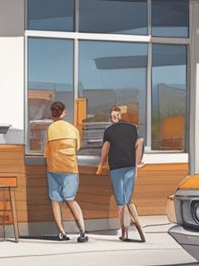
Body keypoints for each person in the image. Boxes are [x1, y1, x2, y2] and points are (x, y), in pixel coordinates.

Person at [96, 104, 146, 243]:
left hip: (116, 167)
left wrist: (101, 164)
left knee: (120, 202)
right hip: (130, 166)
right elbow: (139, 143)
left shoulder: (109, 130)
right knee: (128, 199)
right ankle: (140, 231)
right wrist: (137, 163)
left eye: (114, 116)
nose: (114, 118)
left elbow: (105, 149)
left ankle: (124, 233)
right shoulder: (132, 129)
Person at [43, 101, 87, 242]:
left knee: (55, 200)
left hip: (53, 168)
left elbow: (46, 152)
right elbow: (77, 148)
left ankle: (62, 233)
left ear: (52, 112)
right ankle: (82, 232)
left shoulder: (50, 129)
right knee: (70, 199)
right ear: (64, 112)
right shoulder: (72, 129)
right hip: (70, 168)